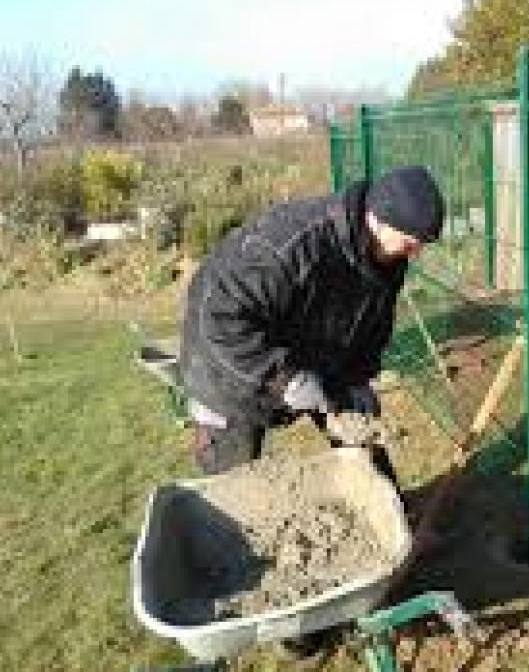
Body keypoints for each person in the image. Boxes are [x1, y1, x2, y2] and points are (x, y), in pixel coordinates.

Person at [179, 165, 444, 475]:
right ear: (377, 219)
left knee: (363, 442)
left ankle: (389, 515)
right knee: (234, 484)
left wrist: (357, 379)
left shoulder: (386, 257)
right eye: (411, 243)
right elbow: (221, 318)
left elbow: (373, 323)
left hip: (313, 350)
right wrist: (285, 379)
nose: (414, 254)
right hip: (226, 367)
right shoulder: (287, 245)